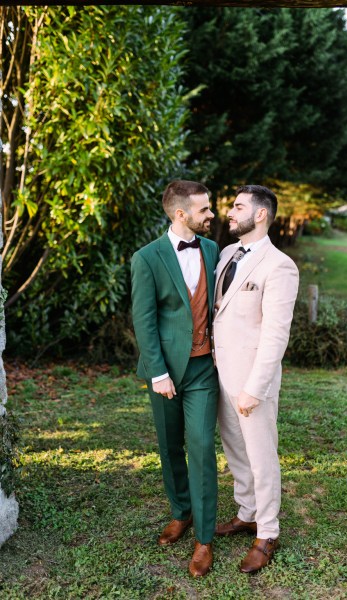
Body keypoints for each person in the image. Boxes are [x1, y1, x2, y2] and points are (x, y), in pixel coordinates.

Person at [130, 180, 219, 577]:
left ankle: (204, 538)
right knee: (169, 446)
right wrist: (159, 373)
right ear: (181, 214)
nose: (212, 215)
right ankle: (180, 512)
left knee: (200, 448)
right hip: (165, 371)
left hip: (203, 368)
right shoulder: (146, 258)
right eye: (205, 209)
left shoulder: (215, 251)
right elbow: (144, 320)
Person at [212, 184, 299, 573]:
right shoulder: (227, 253)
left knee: (261, 456)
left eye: (238, 206)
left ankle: (267, 532)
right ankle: (246, 512)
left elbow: (276, 335)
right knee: (234, 450)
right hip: (219, 374)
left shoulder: (280, 266)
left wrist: (255, 387)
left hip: (252, 381)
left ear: (260, 214)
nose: (229, 213)